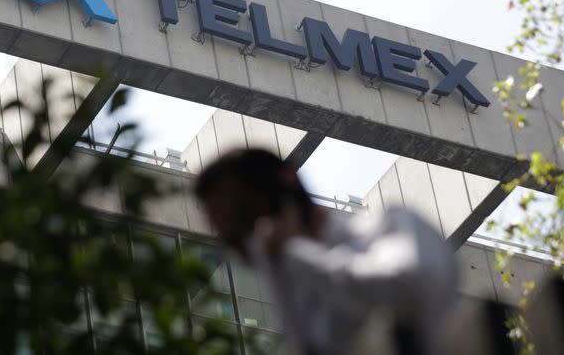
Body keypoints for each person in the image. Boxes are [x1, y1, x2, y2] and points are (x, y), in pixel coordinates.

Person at [194, 148, 457, 355]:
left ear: (287, 185)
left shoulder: (389, 224)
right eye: (232, 241)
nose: (249, 249)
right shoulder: (300, 292)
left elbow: (408, 282)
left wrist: (292, 250)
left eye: (247, 222)